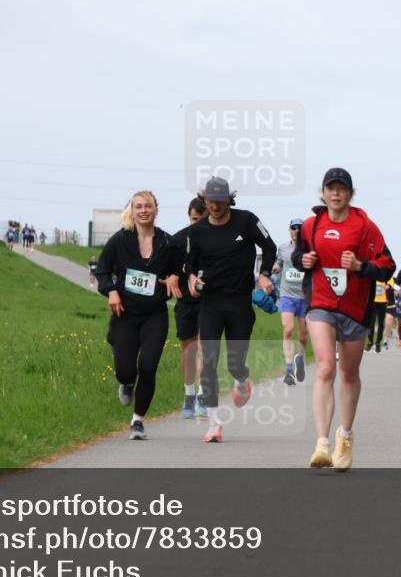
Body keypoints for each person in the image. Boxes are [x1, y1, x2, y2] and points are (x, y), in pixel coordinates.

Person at [293, 168, 395, 472]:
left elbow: (387, 265)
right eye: (330, 188)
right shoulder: (311, 225)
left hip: (354, 308)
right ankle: (321, 443)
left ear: (350, 194)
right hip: (321, 303)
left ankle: (345, 437)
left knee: (349, 374)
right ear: (323, 193)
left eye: (341, 189)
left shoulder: (366, 227)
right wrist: (304, 260)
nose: (336, 194)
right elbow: (297, 256)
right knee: (326, 368)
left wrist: (362, 266)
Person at [185, 176, 277, 443]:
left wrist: (264, 275)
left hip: (239, 302)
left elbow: (269, 246)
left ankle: (242, 378)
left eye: (220, 201)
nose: (215, 206)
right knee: (209, 362)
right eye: (210, 201)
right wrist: (192, 280)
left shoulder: (246, 221)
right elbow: (189, 264)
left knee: (235, 363)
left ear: (229, 200)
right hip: (211, 302)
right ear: (205, 200)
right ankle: (214, 424)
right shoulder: (198, 231)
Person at [95, 191, 181, 440]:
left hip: (155, 314)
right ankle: (127, 383)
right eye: (139, 207)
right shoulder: (120, 241)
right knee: (125, 370)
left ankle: (138, 421)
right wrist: (111, 291)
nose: (144, 210)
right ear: (132, 211)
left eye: (148, 206)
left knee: (148, 365)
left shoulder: (167, 242)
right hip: (125, 313)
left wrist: (176, 276)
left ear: (156, 210)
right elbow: (102, 271)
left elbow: (181, 268)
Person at [170, 198, 208, 419]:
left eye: (202, 219)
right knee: (189, 350)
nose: (198, 223)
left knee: (205, 346)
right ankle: (189, 395)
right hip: (185, 301)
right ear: (189, 216)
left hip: (208, 301)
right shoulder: (178, 240)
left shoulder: (216, 239)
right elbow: (166, 267)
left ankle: (203, 397)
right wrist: (171, 278)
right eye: (195, 219)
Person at [273, 218, 309, 385]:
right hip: (287, 294)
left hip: (304, 296)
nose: (296, 230)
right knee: (288, 330)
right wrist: (276, 269)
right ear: (289, 230)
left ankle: (299, 359)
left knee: (303, 334)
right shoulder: (282, 247)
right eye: (293, 228)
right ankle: (289, 369)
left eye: (299, 228)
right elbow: (279, 263)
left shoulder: (308, 249)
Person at [366, 278, 391, 353]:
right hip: (372, 301)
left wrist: (388, 286)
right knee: (371, 322)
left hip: (382, 302)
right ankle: (370, 342)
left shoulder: (386, 273)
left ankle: (378, 343)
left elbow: (391, 283)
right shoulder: (372, 272)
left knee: (381, 323)